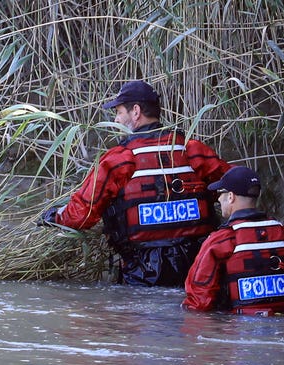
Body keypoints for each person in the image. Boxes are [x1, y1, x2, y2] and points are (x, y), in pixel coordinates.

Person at [39, 80, 231, 287]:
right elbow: (237, 186)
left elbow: (82, 215)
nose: (116, 119)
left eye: (119, 112)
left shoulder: (120, 159)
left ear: (136, 112)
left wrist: (54, 216)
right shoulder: (191, 149)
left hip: (141, 272)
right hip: (200, 268)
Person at [181, 166, 284, 316]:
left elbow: (198, 302)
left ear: (231, 197)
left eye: (221, 194)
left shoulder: (219, 242)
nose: (218, 199)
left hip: (240, 329)